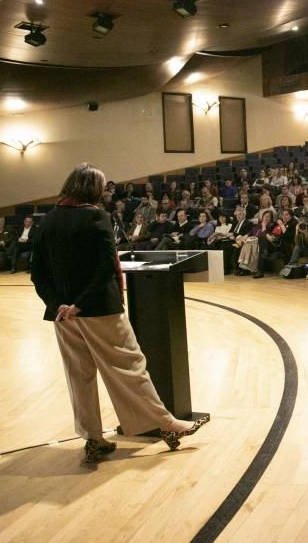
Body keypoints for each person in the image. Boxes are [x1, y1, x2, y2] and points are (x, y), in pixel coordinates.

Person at [30, 163, 208, 463]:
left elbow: (37, 272)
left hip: (63, 316)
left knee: (80, 376)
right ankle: (166, 424)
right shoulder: (96, 216)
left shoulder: (48, 220)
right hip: (98, 310)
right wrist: (80, 303)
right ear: (93, 189)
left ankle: (93, 438)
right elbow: (103, 269)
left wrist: (59, 304)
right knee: (130, 366)